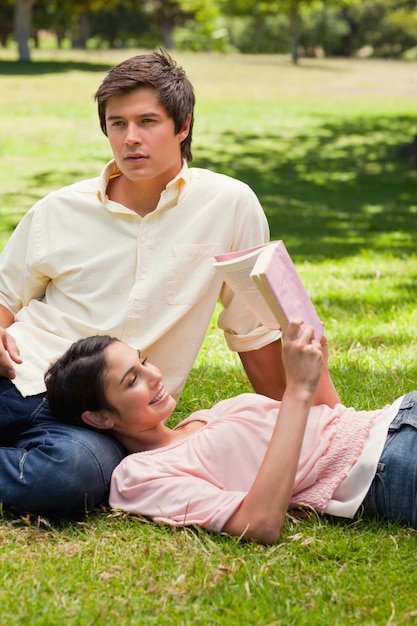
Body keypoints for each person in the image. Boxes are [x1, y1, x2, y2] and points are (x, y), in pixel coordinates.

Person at [0, 50, 300, 518]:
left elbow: (254, 333)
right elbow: (4, 298)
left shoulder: (230, 205)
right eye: (117, 124)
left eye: (147, 121)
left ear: (183, 125)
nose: (130, 139)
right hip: (17, 374)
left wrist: (305, 427)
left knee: (70, 478)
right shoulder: (58, 210)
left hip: (98, 421)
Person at [44, 322, 417, 544]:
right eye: (132, 380)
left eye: (143, 361)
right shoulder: (139, 476)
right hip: (389, 464)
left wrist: (317, 367)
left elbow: (331, 421)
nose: (155, 375)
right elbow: (260, 524)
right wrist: (297, 390)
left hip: (397, 415)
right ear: (99, 419)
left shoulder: (212, 414)